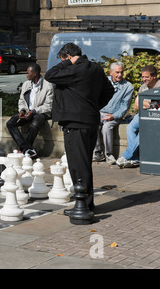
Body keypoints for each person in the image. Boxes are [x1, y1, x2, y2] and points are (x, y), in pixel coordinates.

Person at [45, 43, 114, 215]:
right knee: (84, 163)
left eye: (64, 59)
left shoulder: (74, 70)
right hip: (90, 121)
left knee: (78, 165)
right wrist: (93, 107)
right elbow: (109, 91)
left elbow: (50, 75)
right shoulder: (96, 69)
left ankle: (84, 207)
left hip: (75, 124)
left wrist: (67, 62)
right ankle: (85, 204)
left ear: (68, 56)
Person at [116, 65, 160, 168]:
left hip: (157, 117)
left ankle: (127, 156)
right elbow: (136, 106)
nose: (144, 79)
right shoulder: (143, 87)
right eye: (143, 77)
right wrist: (150, 103)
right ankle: (135, 159)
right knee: (130, 128)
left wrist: (146, 103)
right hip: (143, 113)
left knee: (143, 130)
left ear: (154, 77)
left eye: (147, 77)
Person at [6, 63, 53, 158]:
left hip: (40, 113)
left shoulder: (48, 86)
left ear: (35, 73)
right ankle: (27, 149)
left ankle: (25, 150)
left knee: (35, 123)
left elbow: (48, 106)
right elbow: (22, 100)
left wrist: (34, 111)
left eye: (28, 73)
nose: (26, 75)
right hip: (27, 112)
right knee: (10, 123)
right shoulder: (26, 84)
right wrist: (22, 110)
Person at [92, 62, 134, 165]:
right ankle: (97, 153)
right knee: (93, 123)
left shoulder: (128, 87)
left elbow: (124, 107)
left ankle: (109, 154)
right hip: (100, 112)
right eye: (117, 72)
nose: (119, 75)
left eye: (121, 72)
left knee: (106, 127)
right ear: (111, 72)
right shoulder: (103, 81)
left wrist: (113, 116)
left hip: (115, 114)